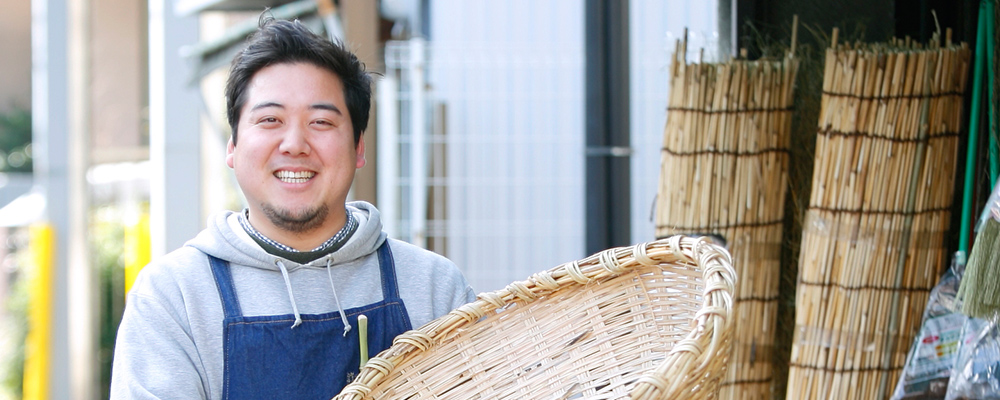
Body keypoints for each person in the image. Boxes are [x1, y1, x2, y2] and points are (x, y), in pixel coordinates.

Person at [110, 15, 475, 399]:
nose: (294, 144)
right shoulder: (174, 297)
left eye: (320, 121)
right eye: (270, 119)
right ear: (232, 146)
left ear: (358, 147)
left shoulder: (434, 288)